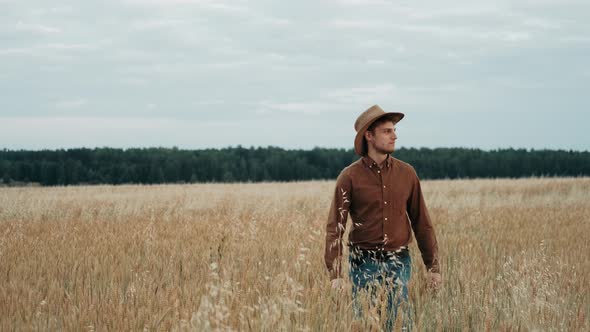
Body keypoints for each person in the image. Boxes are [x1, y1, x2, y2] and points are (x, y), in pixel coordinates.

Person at [324, 104, 441, 331]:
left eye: (394, 130)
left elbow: (422, 223)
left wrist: (433, 267)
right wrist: (335, 274)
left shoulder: (407, 174)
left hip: (399, 261)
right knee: (366, 325)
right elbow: (334, 227)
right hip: (362, 262)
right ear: (369, 135)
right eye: (387, 131)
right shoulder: (349, 177)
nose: (394, 136)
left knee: (399, 325)